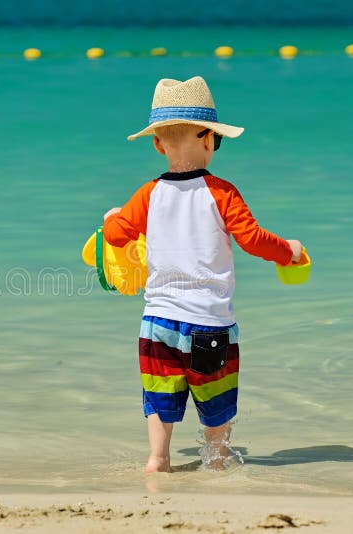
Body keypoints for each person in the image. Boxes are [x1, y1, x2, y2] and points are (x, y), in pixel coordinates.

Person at [102, 76, 303, 472]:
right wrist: (288, 251)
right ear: (209, 140)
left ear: (157, 145)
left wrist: (112, 218)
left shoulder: (148, 194)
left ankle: (158, 458)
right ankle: (216, 460)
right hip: (208, 323)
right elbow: (253, 239)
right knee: (216, 401)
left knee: (160, 398)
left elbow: (115, 234)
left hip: (157, 323)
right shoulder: (222, 192)